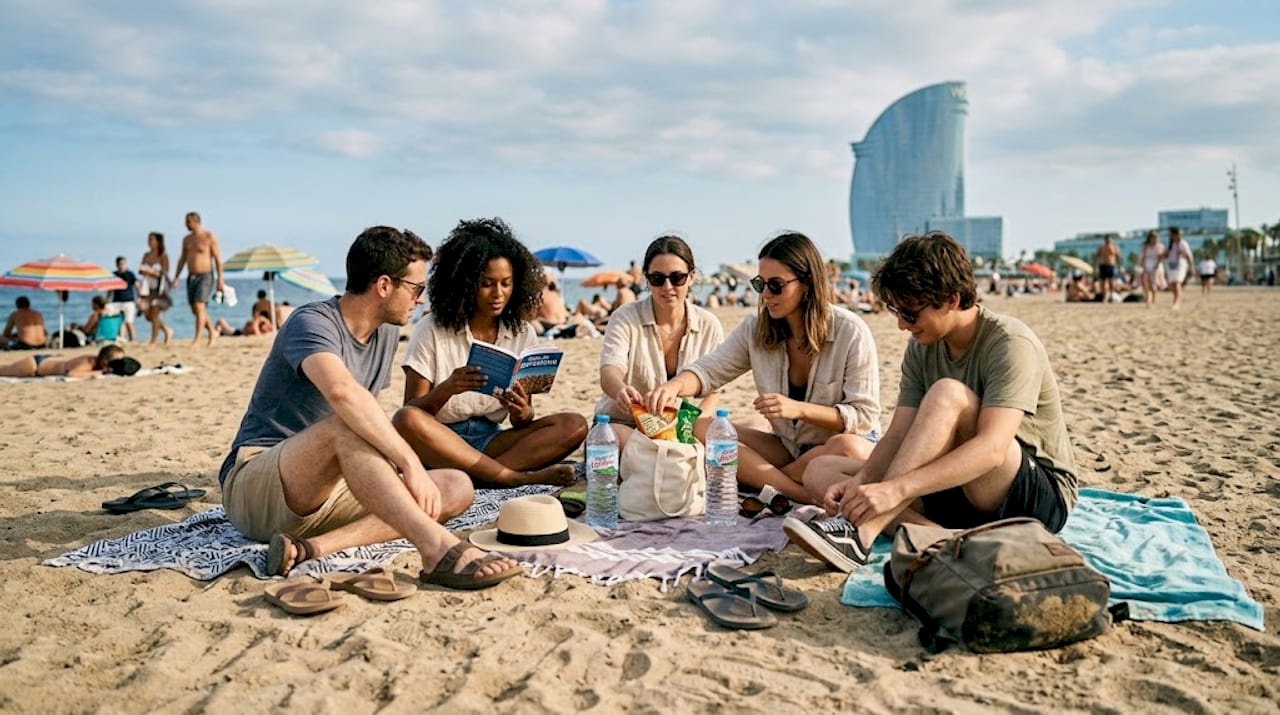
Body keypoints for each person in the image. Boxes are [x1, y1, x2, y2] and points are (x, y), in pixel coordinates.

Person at [218, 226, 520, 588]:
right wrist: (409, 462)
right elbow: (343, 394)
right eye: (416, 288)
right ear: (383, 285)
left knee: (457, 486)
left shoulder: (387, 333)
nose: (421, 299)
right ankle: (438, 549)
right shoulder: (311, 322)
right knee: (345, 424)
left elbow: (369, 413)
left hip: (329, 493)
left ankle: (310, 548)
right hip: (259, 484)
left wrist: (395, 470)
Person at [788, 232, 1077, 572]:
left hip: (1026, 494)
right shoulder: (921, 345)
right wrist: (865, 481)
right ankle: (940, 536)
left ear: (952, 299)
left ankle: (862, 533)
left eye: (909, 313)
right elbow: (897, 435)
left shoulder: (1009, 343)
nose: (901, 325)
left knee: (947, 394)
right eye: (896, 311)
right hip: (956, 484)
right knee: (821, 471)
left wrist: (894, 490)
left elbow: (993, 448)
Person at [644, 232, 881, 503]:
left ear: (806, 283)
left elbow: (863, 416)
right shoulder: (756, 328)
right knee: (700, 427)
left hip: (839, 450)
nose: (766, 295)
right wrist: (673, 386)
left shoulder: (850, 331)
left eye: (776, 285)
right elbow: (711, 369)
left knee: (845, 445)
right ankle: (797, 490)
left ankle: (770, 480)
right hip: (788, 447)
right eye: (761, 284)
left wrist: (798, 409)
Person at [394, 218, 588, 487]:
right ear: (465, 283)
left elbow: (523, 420)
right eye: (487, 283)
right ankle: (509, 477)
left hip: (490, 440)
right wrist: (448, 388)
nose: (498, 293)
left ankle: (482, 478)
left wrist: (522, 411)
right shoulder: (431, 329)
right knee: (406, 419)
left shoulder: (523, 333)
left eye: (506, 283)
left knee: (574, 425)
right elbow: (410, 412)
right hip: (438, 443)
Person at [596, 235, 725, 451]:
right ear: (646, 279)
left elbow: (714, 390)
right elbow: (610, 369)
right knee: (616, 437)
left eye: (677, 278)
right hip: (626, 424)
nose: (667, 287)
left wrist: (690, 428)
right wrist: (620, 390)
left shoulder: (709, 324)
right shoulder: (625, 317)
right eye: (657, 278)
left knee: (749, 427)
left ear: (691, 277)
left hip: (681, 427)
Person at [172, 211, 225, 347]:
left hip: (205, 275)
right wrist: (176, 277)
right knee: (195, 309)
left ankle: (198, 338)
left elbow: (218, 259)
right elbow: (182, 259)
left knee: (199, 305)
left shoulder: (208, 236)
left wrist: (220, 279)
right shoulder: (187, 239)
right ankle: (212, 332)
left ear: (196, 222)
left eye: (188, 222)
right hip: (191, 276)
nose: (186, 225)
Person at [0, 344, 125, 378]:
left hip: (45, 361)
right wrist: (99, 373)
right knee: (3, 370)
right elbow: (72, 374)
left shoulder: (95, 362)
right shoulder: (88, 362)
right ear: (105, 360)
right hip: (35, 366)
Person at [138, 231, 174, 344]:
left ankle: (153, 340)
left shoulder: (163, 256)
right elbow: (140, 270)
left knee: (154, 313)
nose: (149, 242)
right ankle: (166, 330)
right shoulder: (146, 255)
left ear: (158, 242)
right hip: (147, 289)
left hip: (159, 289)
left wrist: (149, 271)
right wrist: (147, 271)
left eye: (151, 240)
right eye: (148, 239)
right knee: (148, 316)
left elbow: (165, 273)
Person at [109, 256, 139, 342]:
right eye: (120, 264)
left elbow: (137, 286)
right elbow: (110, 289)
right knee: (119, 321)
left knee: (129, 322)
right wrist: (107, 298)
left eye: (123, 264)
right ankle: (120, 338)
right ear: (117, 265)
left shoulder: (130, 274)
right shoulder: (114, 275)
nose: (122, 266)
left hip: (129, 301)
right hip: (116, 301)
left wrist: (140, 298)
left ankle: (133, 340)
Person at [1165, 227, 1193, 310]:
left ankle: (1178, 302)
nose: (1170, 236)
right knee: (1173, 284)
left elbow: (1188, 255)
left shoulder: (1182, 243)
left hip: (1180, 264)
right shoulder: (1171, 244)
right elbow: (1167, 254)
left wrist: (1191, 266)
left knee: (1177, 283)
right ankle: (1175, 300)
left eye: (1171, 234)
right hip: (1171, 265)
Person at [1139, 230, 1164, 306]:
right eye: (1153, 237)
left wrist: (1157, 264)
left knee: (1153, 283)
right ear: (1150, 238)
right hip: (1147, 265)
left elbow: (1161, 257)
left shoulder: (1160, 246)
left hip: (1156, 266)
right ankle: (1147, 299)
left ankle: (1154, 298)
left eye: (1156, 237)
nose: (1154, 239)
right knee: (1145, 282)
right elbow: (1143, 256)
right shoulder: (1146, 246)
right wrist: (1141, 264)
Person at [1095, 235, 1119, 304]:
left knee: (1111, 282)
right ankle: (1105, 296)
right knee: (1103, 282)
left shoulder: (1114, 247)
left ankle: (1111, 296)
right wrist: (1095, 266)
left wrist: (1120, 266)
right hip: (1103, 265)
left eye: (1109, 239)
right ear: (1105, 240)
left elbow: (1118, 257)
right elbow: (1097, 256)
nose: (1108, 241)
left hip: (1111, 265)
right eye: (1107, 239)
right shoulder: (1101, 247)